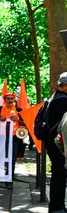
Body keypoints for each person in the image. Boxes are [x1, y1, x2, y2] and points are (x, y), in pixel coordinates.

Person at [0, 91, 25, 189]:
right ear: (4, 100)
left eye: (11, 98)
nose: (10, 100)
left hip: (14, 138)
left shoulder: (19, 110)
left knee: (11, 159)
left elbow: (26, 123)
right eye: (7, 98)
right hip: (1, 138)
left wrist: (17, 120)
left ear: (14, 99)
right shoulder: (0, 109)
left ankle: (9, 181)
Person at [45, 72, 67, 212]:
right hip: (58, 144)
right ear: (64, 86)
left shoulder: (54, 97)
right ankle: (57, 208)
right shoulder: (63, 100)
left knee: (58, 175)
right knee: (60, 175)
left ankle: (56, 206)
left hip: (52, 142)